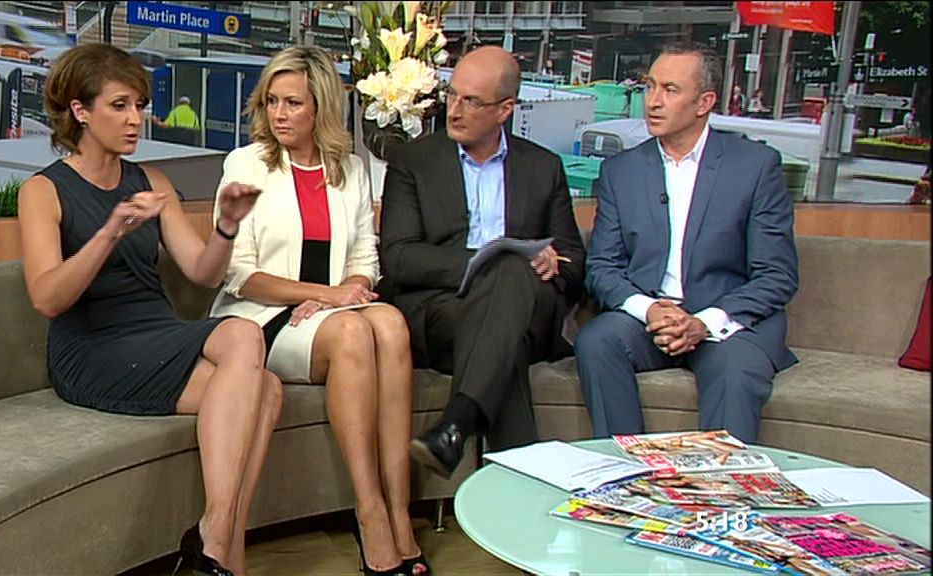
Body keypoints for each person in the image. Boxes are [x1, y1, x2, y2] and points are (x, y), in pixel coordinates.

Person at [18, 43, 282, 576]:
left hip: (155, 332)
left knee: (268, 387)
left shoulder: (152, 182)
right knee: (244, 341)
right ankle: (218, 535)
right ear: (80, 111)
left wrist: (226, 226)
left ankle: (222, 546)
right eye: (119, 106)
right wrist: (111, 231)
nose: (136, 118)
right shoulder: (43, 190)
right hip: (92, 349)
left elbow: (203, 273)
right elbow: (47, 298)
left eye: (139, 105)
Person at [208, 46, 426, 576]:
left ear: (321, 108)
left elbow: (365, 259)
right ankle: (369, 512)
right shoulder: (245, 164)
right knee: (352, 331)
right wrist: (325, 296)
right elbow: (238, 273)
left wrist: (346, 290)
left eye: (293, 103)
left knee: (390, 324)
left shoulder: (350, 169)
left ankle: (400, 511)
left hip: (329, 314)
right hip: (259, 318)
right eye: (272, 101)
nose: (279, 114)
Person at [573, 41, 798, 445]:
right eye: (650, 86)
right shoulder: (620, 172)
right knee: (596, 341)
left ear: (704, 102)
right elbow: (602, 267)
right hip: (650, 317)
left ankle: (721, 481)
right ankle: (628, 469)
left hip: (727, 320)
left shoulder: (754, 166)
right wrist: (649, 309)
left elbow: (776, 275)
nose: (653, 101)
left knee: (735, 372)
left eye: (670, 90)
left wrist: (703, 323)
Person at [379, 46, 586, 478]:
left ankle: (458, 422)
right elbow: (399, 258)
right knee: (505, 296)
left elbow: (573, 261)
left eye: (471, 101)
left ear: (505, 110)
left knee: (511, 279)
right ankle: (485, 452)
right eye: (452, 95)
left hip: (528, 309)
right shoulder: (414, 162)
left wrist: (554, 265)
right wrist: (486, 260)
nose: (454, 110)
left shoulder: (543, 167)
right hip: (443, 312)